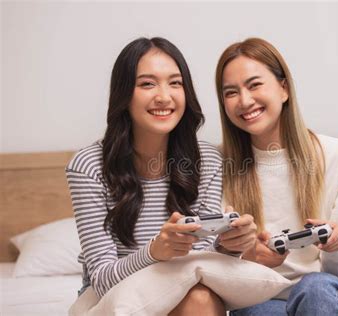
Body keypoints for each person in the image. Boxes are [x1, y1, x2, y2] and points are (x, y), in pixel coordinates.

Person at [66, 37, 256, 316]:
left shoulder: (207, 159)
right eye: (147, 83)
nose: (164, 96)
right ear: (124, 94)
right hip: (117, 294)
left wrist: (230, 247)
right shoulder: (88, 165)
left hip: (188, 289)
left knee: (200, 297)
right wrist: (155, 251)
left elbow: (203, 262)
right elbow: (102, 279)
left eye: (175, 83)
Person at [215, 37, 338, 315]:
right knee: (256, 312)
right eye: (231, 92)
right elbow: (210, 265)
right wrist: (246, 258)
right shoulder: (216, 167)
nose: (244, 100)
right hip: (264, 297)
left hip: (332, 290)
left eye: (254, 85)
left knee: (314, 289)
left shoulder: (336, 155)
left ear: (284, 88)